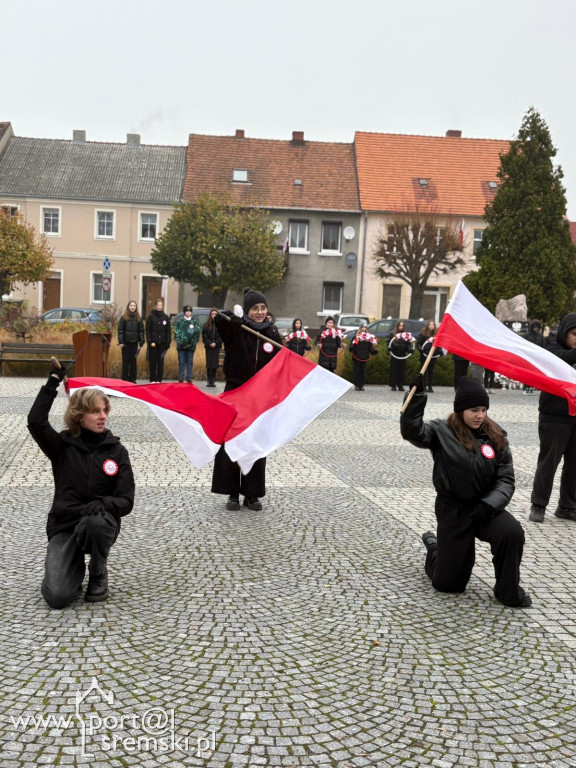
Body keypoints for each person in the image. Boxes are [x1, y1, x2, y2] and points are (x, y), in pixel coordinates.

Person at [401, 375, 530, 608]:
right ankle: (434, 548)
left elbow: (506, 479)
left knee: (512, 533)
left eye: (483, 410)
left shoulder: (496, 436)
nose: (480, 415)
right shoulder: (441, 431)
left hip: (485, 509)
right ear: (460, 410)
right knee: (450, 584)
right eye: (474, 410)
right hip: (454, 510)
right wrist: (416, 398)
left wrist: (489, 504)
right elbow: (413, 432)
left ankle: (507, 590)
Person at [27, 364, 135, 608]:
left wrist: (104, 503)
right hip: (65, 525)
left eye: (105, 410)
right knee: (57, 597)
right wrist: (53, 381)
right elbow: (35, 422)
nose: (103, 416)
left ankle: (98, 571)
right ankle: (72, 568)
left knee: (96, 522)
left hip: (99, 524)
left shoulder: (116, 452)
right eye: (95, 411)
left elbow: (126, 501)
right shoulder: (62, 447)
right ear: (79, 415)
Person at [211, 288, 283, 511]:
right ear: (248, 311)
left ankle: (251, 494)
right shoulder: (237, 330)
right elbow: (221, 319)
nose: (259, 312)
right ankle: (232, 492)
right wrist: (233, 318)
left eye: (262, 308)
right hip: (237, 392)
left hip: (260, 399)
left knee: (256, 445)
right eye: (255, 308)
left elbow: (281, 363)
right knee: (233, 442)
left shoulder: (271, 333)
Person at [529, 313, 576, 523]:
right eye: (574, 334)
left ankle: (567, 506)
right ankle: (538, 505)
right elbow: (563, 361)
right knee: (549, 462)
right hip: (554, 415)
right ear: (565, 333)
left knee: (574, 466)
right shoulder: (551, 347)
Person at [117, 300, 144, 383]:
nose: (132, 307)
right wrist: (121, 342)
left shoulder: (138, 318)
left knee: (133, 362)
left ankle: (132, 379)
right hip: (125, 343)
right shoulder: (124, 318)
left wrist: (141, 341)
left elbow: (141, 330)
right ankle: (124, 379)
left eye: (134, 306)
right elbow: (120, 330)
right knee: (125, 362)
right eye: (131, 305)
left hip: (134, 343)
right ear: (128, 307)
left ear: (136, 308)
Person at [145, 299, 171, 383]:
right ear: (155, 306)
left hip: (162, 343)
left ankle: (159, 379)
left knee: (160, 362)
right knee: (153, 362)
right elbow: (148, 330)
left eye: (161, 305)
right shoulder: (151, 317)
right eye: (158, 305)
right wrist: (149, 341)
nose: (160, 307)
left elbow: (168, 331)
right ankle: (153, 379)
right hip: (153, 343)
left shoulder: (166, 317)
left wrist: (168, 342)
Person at [415, 320, 443, 393]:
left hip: (433, 356)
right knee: (424, 371)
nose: (431, 326)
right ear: (428, 325)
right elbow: (418, 344)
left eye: (433, 325)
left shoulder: (436, 335)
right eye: (430, 324)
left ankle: (430, 386)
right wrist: (421, 350)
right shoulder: (423, 334)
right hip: (424, 355)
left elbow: (438, 345)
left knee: (431, 371)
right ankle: (423, 386)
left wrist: (440, 352)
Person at [174, 305, 200, 383]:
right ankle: (181, 378)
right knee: (181, 362)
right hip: (181, 347)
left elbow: (197, 334)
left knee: (190, 362)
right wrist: (181, 343)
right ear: (184, 312)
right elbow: (176, 334)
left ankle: (189, 378)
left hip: (191, 347)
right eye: (187, 311)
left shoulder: (194, 322)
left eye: (189, 311)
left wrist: (191, 343)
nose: (188, 313)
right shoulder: (180, 322)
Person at [388, 320, 414, 391]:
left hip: (402, 354)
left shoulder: (406, 335)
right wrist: (390, 348)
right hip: (394, 354)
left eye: (402, 326)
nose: (401, 327)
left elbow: (408, 345)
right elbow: (389, 343)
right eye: (400, 325)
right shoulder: (392, 334)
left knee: (401, 370)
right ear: (397, 326)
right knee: (394, 370)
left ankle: (400, 385)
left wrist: (410, 349)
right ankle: (393, 385)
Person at [350, 324, 378, 391]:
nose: (364, 328)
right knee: (357, 371)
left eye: (365, 327)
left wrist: (374, 351)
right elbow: (351, 347)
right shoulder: (356, 337)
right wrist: (352, 347)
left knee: (363, 371)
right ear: (360, 328)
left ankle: (361, 385)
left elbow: (370, 348)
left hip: (364, 357)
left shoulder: (368, 338)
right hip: (357, 357)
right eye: (363, 327)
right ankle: (356, 385)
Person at [522, 320, 545, 395]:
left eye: (537, 326)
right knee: (526, 373)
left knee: (534, 374)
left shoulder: (540, 337)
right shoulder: (526, 336)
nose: (536, 328)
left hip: (537, 358)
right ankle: (526, 388)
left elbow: (543, 347)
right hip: (528, 357)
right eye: (534, 326)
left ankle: (531, 388)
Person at [202, 308, 223, 387]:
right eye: (212, 314)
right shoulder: (206, 324)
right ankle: (209, 379)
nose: (214, 315)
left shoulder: (220, 325)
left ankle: (213, 379)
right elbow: (204, 335)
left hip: (216, 347)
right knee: (209, 363)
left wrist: (216, 343)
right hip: (209, 347)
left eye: (215, 314)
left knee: (214, 363)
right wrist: (209, 343)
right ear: (210, 315)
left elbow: (221, 336)